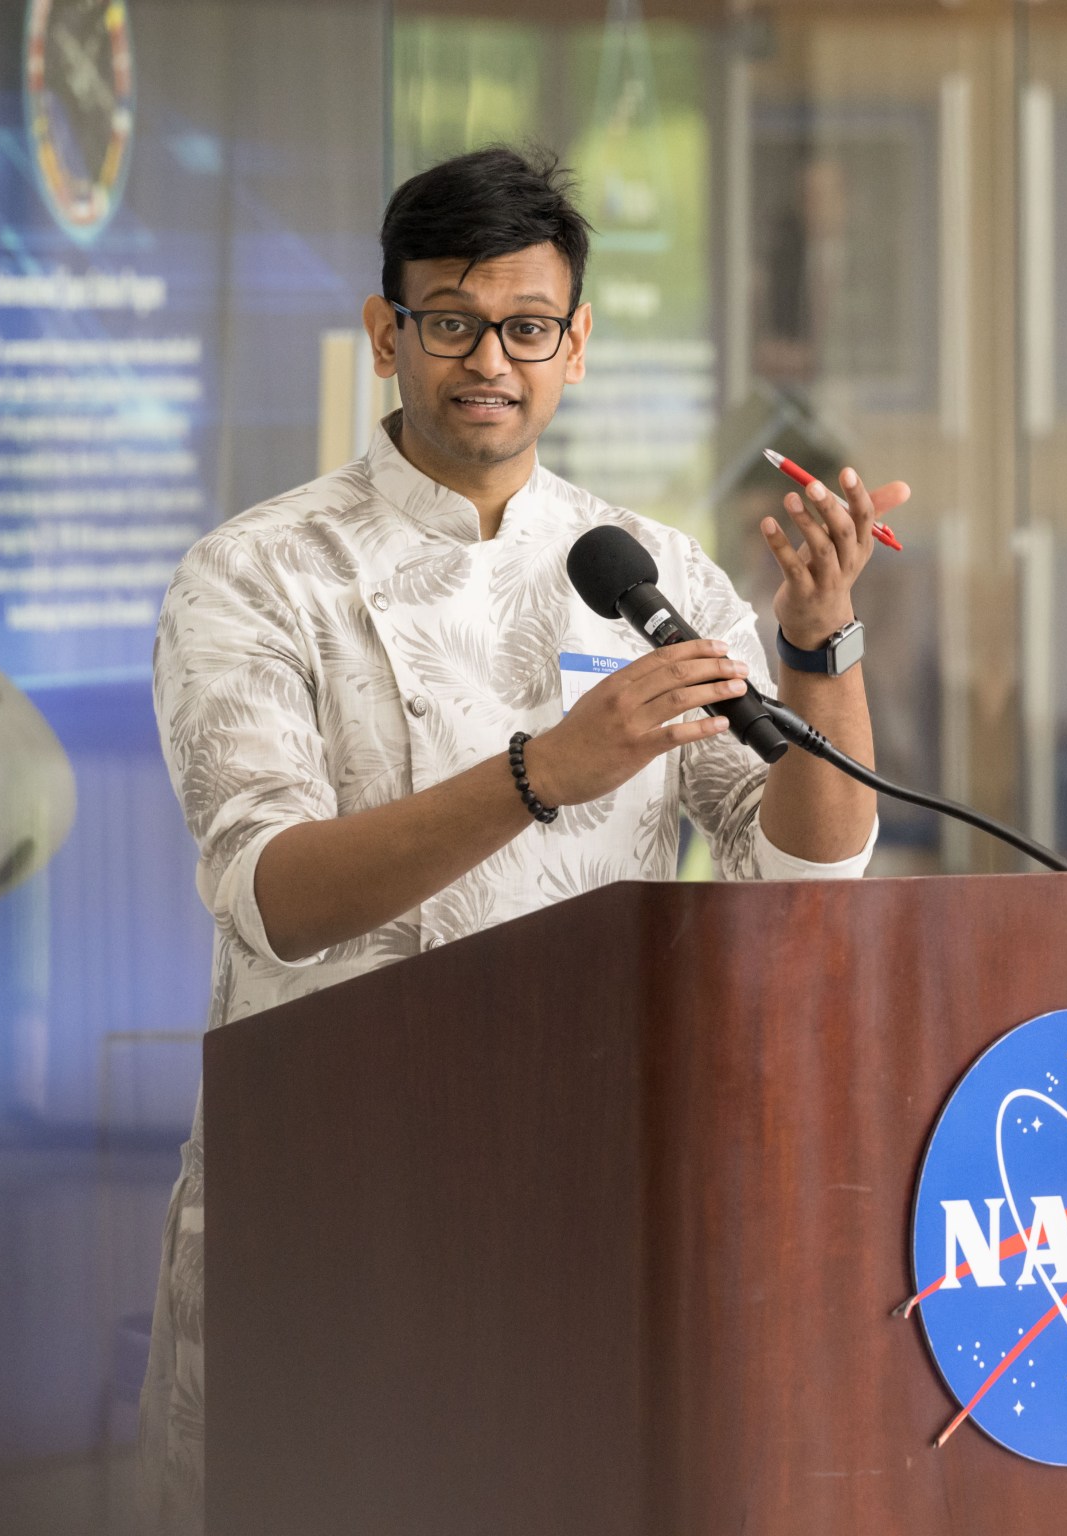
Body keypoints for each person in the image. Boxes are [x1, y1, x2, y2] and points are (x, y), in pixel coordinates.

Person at [136, 145, 905, 1531]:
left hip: (585, 1193)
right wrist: (545, 773)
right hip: (336, 1202)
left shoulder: (648, 572)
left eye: (526, 327)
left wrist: (818, 649)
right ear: (387, 334)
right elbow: (273, 896)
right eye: (449, 320)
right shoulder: (255, 574)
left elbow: (804, 874)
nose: (489, 359)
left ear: (577, 344)